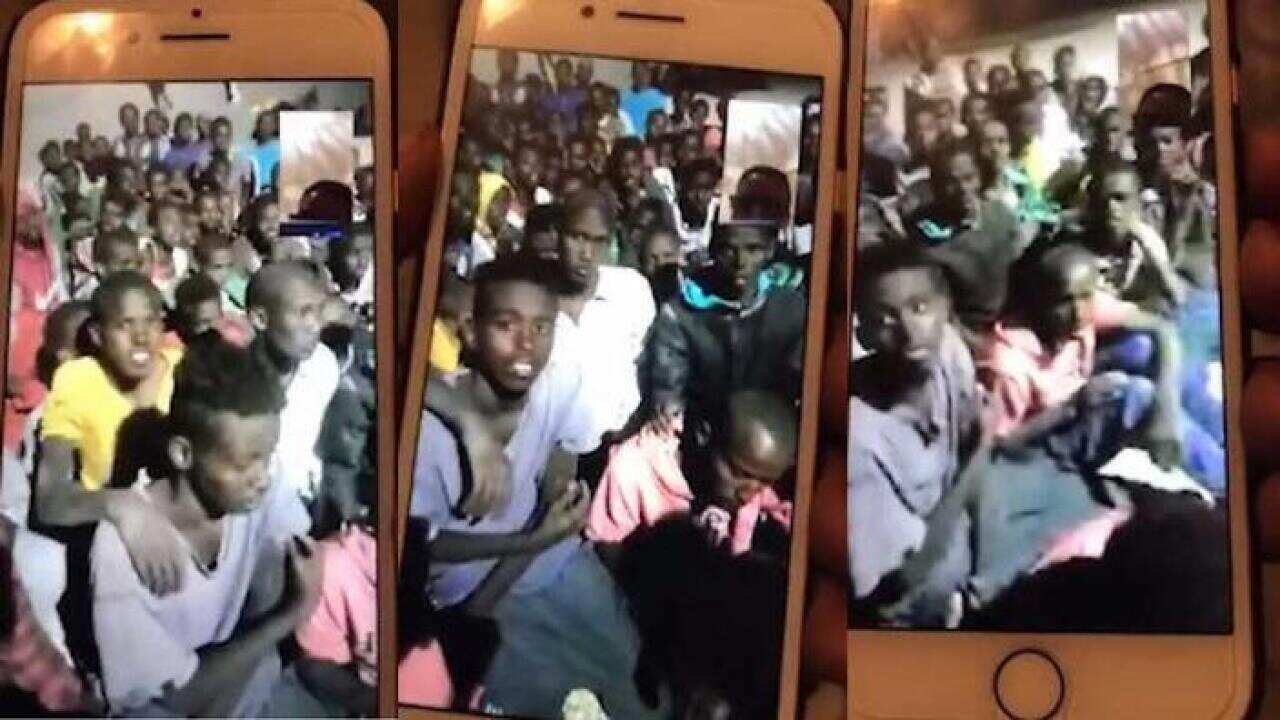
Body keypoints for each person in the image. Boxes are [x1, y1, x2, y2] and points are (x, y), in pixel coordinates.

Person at [411, 255, 662, 719]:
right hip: (477, 596)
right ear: (470, 331)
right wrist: (530, 540)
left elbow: (561, 448)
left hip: (556, 561)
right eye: (506, 325)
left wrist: (557, 482)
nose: (527, 345)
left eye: (542, 328)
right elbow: (422, 548)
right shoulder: (425, 435)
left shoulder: (554, 381)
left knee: (634, 690)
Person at [90, 334, 317, 717]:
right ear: (183, 454)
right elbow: (165, 701)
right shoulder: (122, 548)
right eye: (245, 464)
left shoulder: (259, 484)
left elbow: (303, 554)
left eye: (267, 457)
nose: (261, 477)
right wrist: (290, 614)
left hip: (227, 678)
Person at [981, 240, 1223, 492]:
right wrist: (1073, 405)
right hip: (1045, 444)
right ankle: (1226, 481)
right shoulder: (1010, 367)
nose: (1077, 312)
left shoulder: (1081, 306)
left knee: (1143, 348)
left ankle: (1229, 440)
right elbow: (998, 450)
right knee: (1135, 396)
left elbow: (1162, 329)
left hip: (1082, 393)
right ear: (1039, 301)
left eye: (1085, 297)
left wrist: (1167, 405)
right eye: (1064, 302)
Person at [35, 272, 188, 600]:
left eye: (151, 322)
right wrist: (121, 506)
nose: (142, 337)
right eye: (125, 325)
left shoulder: (187, 372)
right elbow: (49, 502)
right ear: (98, 334)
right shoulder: (78, 380)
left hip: (184, 544)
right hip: (107, 553)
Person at [646, 218, 806, 464]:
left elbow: (798, 389)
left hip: (772, 448)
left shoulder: (793, 310)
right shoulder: (681, 314)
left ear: (770, 250)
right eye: (728, 250)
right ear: (712, 250)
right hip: (703, 446)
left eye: (753, 250)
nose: (740, 262)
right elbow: (668, 392)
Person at [588, 389, 796, 555]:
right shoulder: (632, 471)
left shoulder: (750, 479)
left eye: (765, 482)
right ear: (703, 436)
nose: (749, 494)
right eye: (740, 474)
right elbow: (607, 553)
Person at [555, 190, 657, 436]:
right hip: (549, 450)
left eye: (598, 241)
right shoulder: (534, 298)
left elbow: (650, 368)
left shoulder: (632, 292)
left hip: (616, 448)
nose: (586, 254)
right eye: (578, 237)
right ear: (558, 234)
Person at [245, 261, 342, 516]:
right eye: (303, 313)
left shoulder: (323, 365)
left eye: (319, 312)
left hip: (306, 509)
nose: (315, 325)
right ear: (260, 318)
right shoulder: (233, 382)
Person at [904, 145, 1024, 338]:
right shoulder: (925, 237)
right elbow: (936, 307)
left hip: (1013, 326)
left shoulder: (1001, 216)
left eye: (969, 178)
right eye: (951, 182)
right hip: (964, 334)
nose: (962, 189)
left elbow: (1020, 276)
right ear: (935, 186)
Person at [171, 274, 253, 348]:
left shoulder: (236, 332)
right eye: (206, 322)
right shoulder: (185, 352)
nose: (216, 326)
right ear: (188, 324)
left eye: (219, 316)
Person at [619, 61, 672, 139]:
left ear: (650, 75)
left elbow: (666, 126)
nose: (641, 76)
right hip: (629, 141)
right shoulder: (622, 96)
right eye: (637, 72)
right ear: (633, 75)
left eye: (645, 72)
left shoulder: (662, 98)